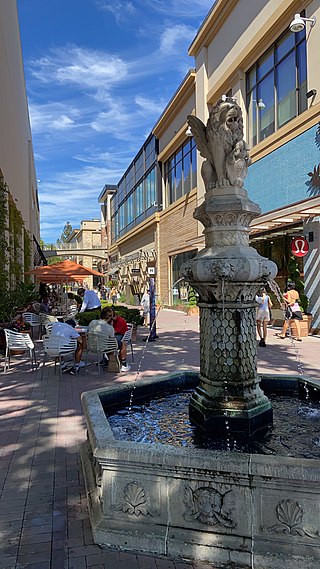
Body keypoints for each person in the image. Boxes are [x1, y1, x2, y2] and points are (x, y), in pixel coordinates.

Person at [104, 307, 131, 372]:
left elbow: (113, 332)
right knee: (106, 342)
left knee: (118, 343)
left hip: (121, 335)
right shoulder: (111, 321)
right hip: (115, 335)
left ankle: (123, 362)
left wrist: (111, 323)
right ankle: (107, 360)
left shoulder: (120, 321)